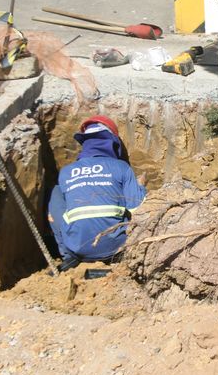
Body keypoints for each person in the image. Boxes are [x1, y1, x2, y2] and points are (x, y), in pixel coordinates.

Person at [48, 115, 147, 271]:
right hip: (117, 248)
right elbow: (139, 208)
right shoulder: (121, 167)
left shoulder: (66, 172)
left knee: (56, 192)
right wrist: (141, 187)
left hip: (78, 247)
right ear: (113, 143)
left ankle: (68, 257)